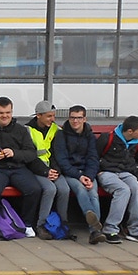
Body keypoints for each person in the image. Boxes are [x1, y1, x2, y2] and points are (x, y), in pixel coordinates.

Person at [0, 97, 42, 240]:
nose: (5, 116)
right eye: (1, 113)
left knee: (34, 189)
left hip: (18, 168)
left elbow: (31, 153)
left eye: (8, 112)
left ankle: (27, 224)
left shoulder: (21, 130)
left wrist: (15, 153)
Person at [51, 105, 106, 244]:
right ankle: (95, 229)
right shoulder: (61, 135)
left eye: (79, 118)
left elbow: (93, 158)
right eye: (72, 118)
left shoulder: (89, 135)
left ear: (84, 119)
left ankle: (95, 231)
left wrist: (89, 176)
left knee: (93, 192)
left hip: (87, 173)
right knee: (81, 189)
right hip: (71, 173)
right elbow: (62, 160)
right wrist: (79, 176)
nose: (75, 121)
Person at [97, 116, 138, 244]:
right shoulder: (108, 138)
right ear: (130, 131)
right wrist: (98, 171)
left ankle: (136, 231)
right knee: (123, 190)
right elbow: (94, 156)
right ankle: (110, 229)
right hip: (107, 172)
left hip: (126, 172)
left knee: (136, 188)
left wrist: (133, 169)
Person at [25, 101, 70, 240]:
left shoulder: (57, 130)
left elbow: (59, 153)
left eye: (53, 116)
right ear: (38, 115)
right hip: (35, 170)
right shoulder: (27, 131)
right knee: (50, 189)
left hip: (53, 169)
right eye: (49, 116)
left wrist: (55, 170)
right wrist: (45, 171)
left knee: (64, 189)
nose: (52, 119)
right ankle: (41, 225)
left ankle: (62, 224)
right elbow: (29, 156)